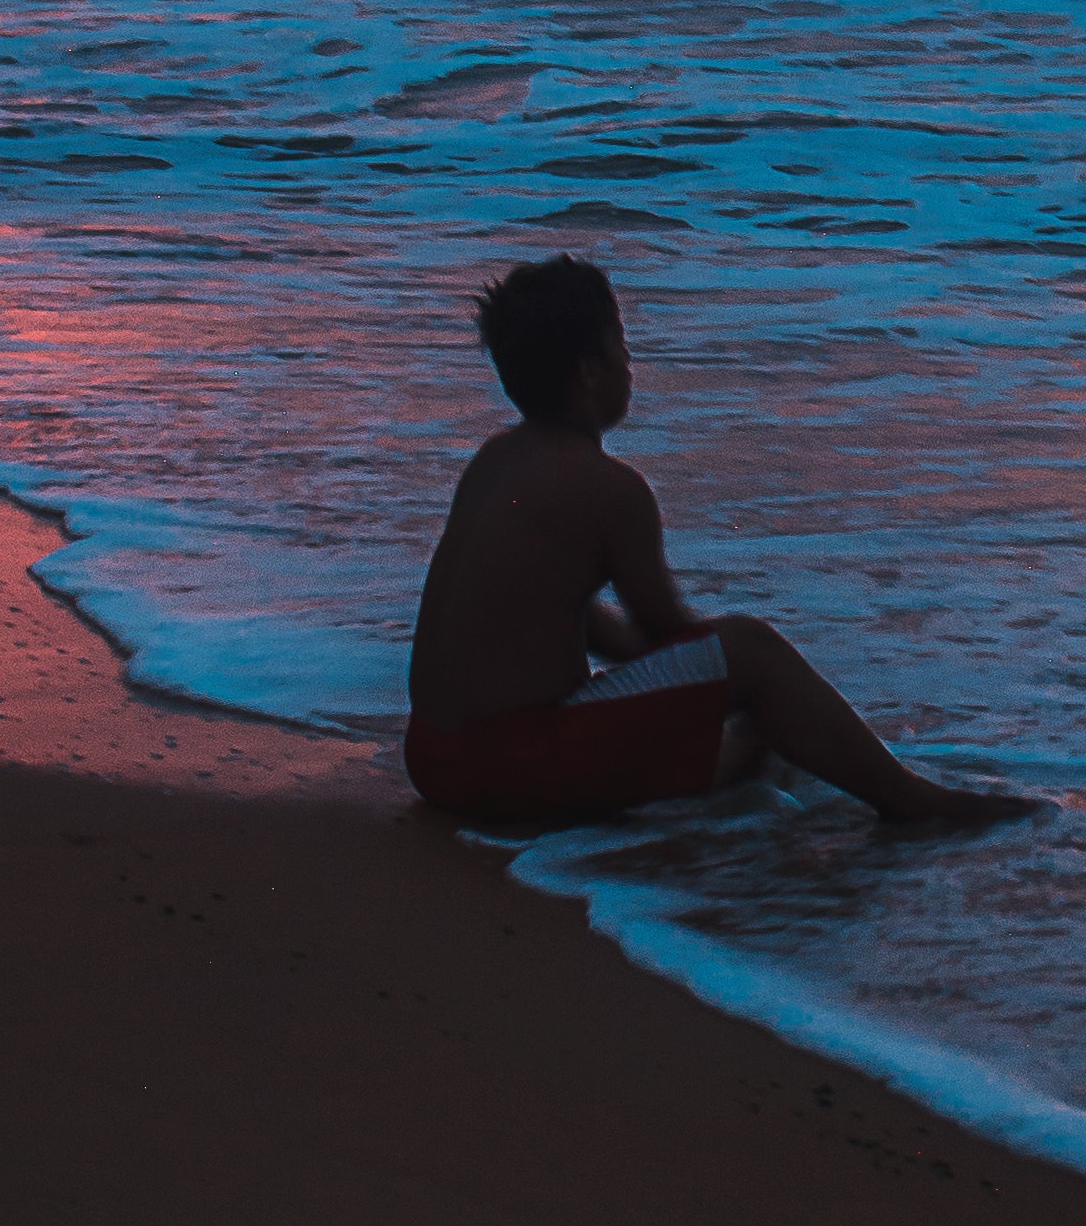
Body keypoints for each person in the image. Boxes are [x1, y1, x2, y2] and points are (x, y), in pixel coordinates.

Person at [404, 257, 1018, 826]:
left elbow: (561, 611)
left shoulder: (494, 460)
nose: (629, 361)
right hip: (507, 767)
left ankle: (741, 758)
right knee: (750, 649)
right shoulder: (611, 489)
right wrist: (737, 680)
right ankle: (911, 801)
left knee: (742, 728)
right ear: (590, 371)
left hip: (434, 760)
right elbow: (668, 631)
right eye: (621, 344)